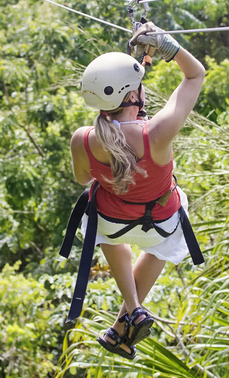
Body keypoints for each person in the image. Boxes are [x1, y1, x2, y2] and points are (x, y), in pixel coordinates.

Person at [67, 23, 205, 359]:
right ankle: (128, 314)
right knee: (174, 213)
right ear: (133, 96)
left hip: (114, 223)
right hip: (161, 223)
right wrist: (167, 46)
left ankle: (128, 314)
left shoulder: (83, 138)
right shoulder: (157, 132)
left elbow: (83, 180)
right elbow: (195, 75)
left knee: (96, 212)